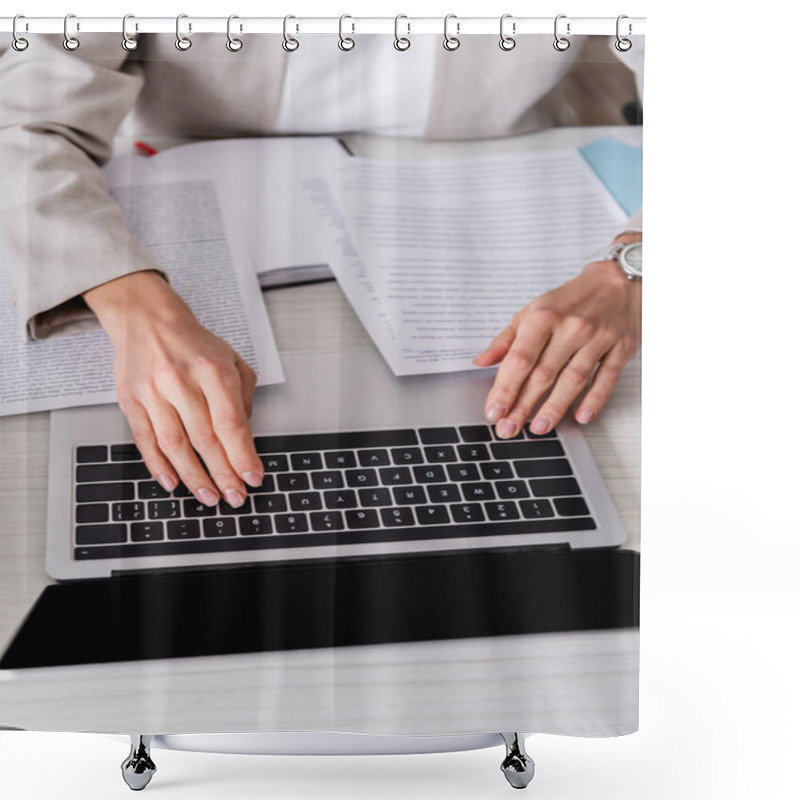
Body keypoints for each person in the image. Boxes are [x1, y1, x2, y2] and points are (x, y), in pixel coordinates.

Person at [0, 29, 643, 511]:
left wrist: (636, 264)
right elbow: (22, 128)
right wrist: (137, 307)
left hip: (502, 192)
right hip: (193, 187)